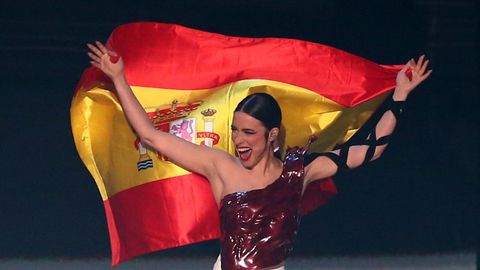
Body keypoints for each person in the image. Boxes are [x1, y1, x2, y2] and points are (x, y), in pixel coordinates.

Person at [87, 41, 431, 270]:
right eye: (236, 131)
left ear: (273, 136)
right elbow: (150, 135)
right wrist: (119, 78)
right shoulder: (220, 166)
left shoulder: (300, 171)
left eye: (248, 132)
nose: (238, 140)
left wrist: (400, 95)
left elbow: (368, 150)